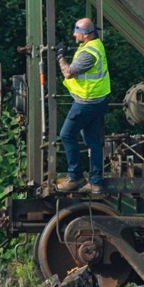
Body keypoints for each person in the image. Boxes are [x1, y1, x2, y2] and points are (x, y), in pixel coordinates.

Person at [56, 18, 111, 193]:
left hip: (87, 102)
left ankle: (75, 177)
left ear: (85, 34)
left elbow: (68, 72)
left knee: (66, 135)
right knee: (92, 140)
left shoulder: (89, 53)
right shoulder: (94, 45)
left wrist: (60, 57)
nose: (74, 34)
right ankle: (95, 181)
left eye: (76, 31)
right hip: (97, 99)